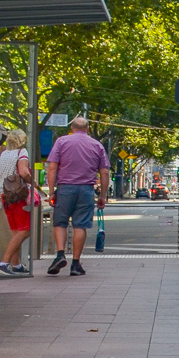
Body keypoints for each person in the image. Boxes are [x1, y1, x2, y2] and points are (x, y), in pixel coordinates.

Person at [46, 116, 110, 276]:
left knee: (60, 222)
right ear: (87, 129)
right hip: (86, 190)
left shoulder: (61, 142)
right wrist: (102, 195)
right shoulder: (97, 145)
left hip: (65, 188)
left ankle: (60, 254)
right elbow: (104, 172)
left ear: (72, 128)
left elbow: (52, 167)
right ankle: (75, 263)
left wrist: (51, 191)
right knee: (80, 225)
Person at [0, 129, 36, 276]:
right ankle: (4, 263)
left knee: (15, 231)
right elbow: (24, 172)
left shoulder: (4, 154)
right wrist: (33, 182)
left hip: (5, 194)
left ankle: (16, 264)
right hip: (17, 195)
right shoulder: (22, 153)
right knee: (25, 230)